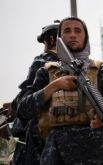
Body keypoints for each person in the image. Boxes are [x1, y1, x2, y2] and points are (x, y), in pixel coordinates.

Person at [18, 17, 103, 165]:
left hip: (98, 151)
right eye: (67, 31)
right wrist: (54, 86)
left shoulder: (101, 70)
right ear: (60, 38)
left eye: (77, 31)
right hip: (56, 152)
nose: (72, 34)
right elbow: (23, 110)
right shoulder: (46, 72)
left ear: (85, 37)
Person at [9, 21, 60, 165]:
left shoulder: (42, 60)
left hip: (39, 129)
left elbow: (26, 98)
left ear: (50, 40)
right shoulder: (74, 62)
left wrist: (13, 107)